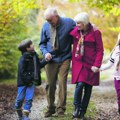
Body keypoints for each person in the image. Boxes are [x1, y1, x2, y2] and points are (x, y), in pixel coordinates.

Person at [39, 7, 76, 117]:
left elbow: (80, 31)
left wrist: (91, 27)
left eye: (50, 20)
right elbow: (42, 43)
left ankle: (61, 109)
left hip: (65, 57)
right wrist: (45, 52)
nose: (48, 22)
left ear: (56, 16)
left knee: (62, 83)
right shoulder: (45, 26)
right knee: (50, 84)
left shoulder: (69, 23)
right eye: (46, 20)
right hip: (51, 59)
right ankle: (51, 108)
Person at [70, 12, 104, 119]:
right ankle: (76, 109)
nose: (77, 25)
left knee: (88, 88)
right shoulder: (76, 31)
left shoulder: (96, 32)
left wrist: (97, 65)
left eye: (79, 23)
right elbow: (69, 34)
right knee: (79, 85)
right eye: (76, 22)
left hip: (91, 64)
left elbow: (100, 50)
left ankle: (82, 112)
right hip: (79, 63)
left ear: (85, 23)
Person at [15, 40, 46, 120]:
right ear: (27, 48)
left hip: (31, 82)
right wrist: (29, 79)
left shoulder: (35, 56)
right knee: (19, 100)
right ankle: (20, 114)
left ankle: (25, 116)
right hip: (23, 82)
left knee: (29, 99)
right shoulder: (23, 59)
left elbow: (39, 65)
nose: (33, 45)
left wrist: (46, 60)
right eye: (31, 44)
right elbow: (22, 72)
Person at [100, 33, 120, 114]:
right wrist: (99, 68)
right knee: (119, 95)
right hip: (117, 78)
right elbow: (109, 64)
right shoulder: (116, 50)